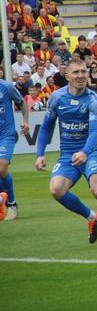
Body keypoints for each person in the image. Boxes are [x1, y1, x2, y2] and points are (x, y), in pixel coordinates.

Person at [35, 60, 97, 247]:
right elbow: (46, 127)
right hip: (68, 154)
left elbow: (94, 132)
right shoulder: (56, 98)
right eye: (76, 72)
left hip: (92, 150)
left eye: (83, 71)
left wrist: (85, 152)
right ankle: (92, 217)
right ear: (67, 76)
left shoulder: (93, 99)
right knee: (56, 189)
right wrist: (39, 154)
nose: (80, 76)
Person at [0, 79, 29, 221]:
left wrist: (25, 121)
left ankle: (11, 203)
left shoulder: (6, 87)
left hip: (6, 134)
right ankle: (2, 201)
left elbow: (22, 102)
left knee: (1, 167)